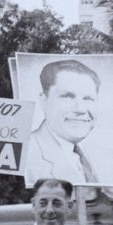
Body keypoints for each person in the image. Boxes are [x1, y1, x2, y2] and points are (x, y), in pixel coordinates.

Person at [22, 59, 108, 188]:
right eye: (68, 97)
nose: (80, 109)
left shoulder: (104, 156)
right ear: (43, 100)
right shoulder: (26, 156)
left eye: (88, 98)